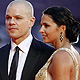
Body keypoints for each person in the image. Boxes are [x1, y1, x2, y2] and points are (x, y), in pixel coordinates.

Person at [0, 0, 55, 80]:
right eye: (8, 18)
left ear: (31, 22)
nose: (11, 22)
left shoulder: (48, 55)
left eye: (18, 18)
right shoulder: (1, 54)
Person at [35, 6, 80, 80]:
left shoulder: (61, 56)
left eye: (46, 26)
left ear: (62, 28)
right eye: (41, 25)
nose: (41, 30)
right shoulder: (74, 52)